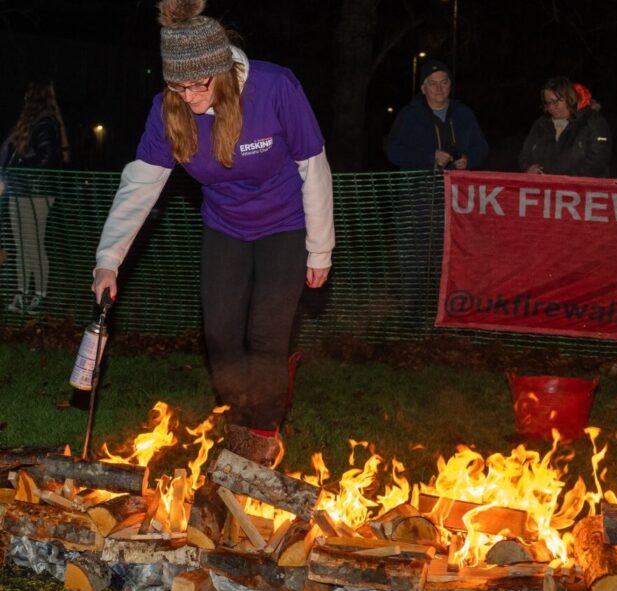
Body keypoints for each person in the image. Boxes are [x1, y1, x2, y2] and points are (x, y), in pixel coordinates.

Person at [91, 0, 334, 465]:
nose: (189, 95)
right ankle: (239, 413)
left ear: (221, 71)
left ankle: (262, 433)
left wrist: (320, 249)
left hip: (286, 225)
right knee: (220, 332)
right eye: (176, 85)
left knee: (266, 333)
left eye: (198, 84)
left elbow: (314, 168)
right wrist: (108, 260)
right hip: (225, 225)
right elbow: (139, 186)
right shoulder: (169, 110)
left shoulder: (275, 87)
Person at [0, 80, 69, 315]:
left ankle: (39, 294)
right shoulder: (29, 124)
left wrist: (16, 166)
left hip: (37, 193)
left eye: (28, 97)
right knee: (20, 245)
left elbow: (46, 158)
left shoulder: (45, 122)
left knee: (34, 245)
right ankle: (21, 294)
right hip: (20, 190)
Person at [385, 60, 488, 171]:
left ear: (450, 85)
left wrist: (468, 160)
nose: (439, 89)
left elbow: (481, 147)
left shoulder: (463, 113)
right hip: (418, 186)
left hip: (455, 185)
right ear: (423, 89)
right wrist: (429, 158)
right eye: (433, 83)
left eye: (444, 82)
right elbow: (392, 150)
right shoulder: (410, 115)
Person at [518, 77, 612, 177]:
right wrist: (528, 168)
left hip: (583, 190)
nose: (551, 107)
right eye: (548, 103)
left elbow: (599, 158)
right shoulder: (541, 124)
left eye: (555, 102)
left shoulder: (592, 121)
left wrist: (566, 179)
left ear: (568, 98)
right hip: (545, 189)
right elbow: (524, 155)